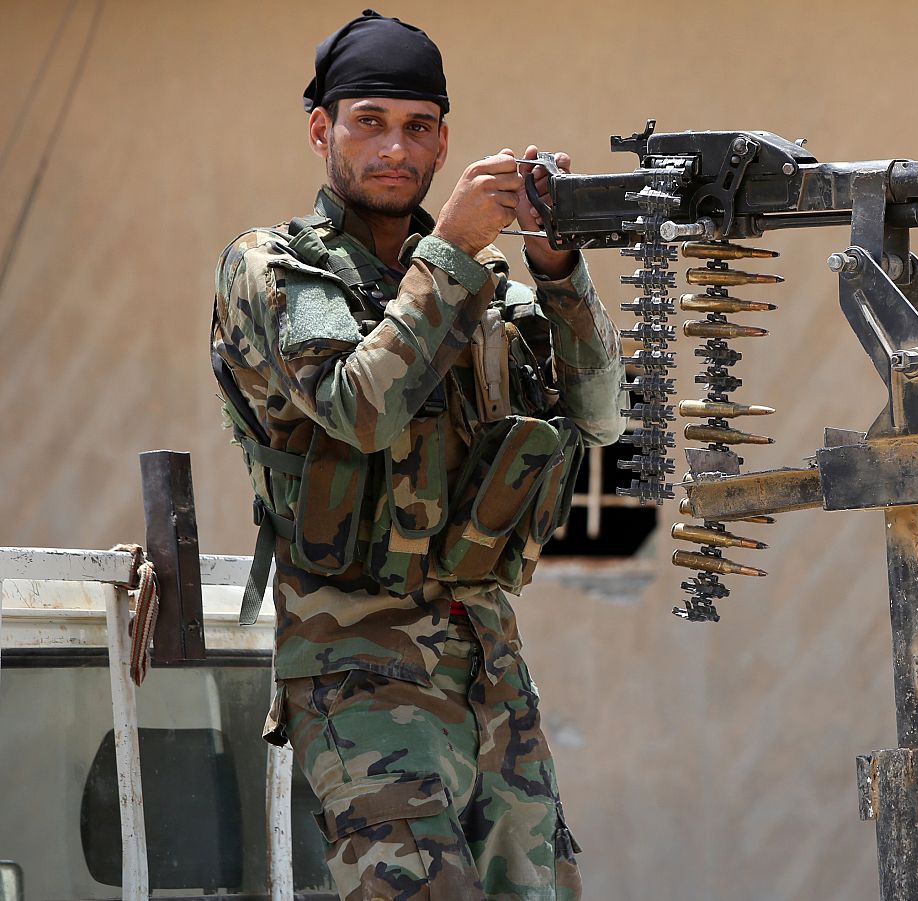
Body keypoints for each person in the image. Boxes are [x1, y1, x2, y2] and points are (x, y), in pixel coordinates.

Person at [210, 9, 622, 899]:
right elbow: (360, 410)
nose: (394, 149)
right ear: (322, 131)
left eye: (418, 128)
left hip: (491, 668)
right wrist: (455, 250)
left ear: (444, 146)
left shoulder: (482, 284)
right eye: (369, 123)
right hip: (361, 680)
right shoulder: (271, 268)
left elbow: (601, 416)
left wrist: (558, 272)